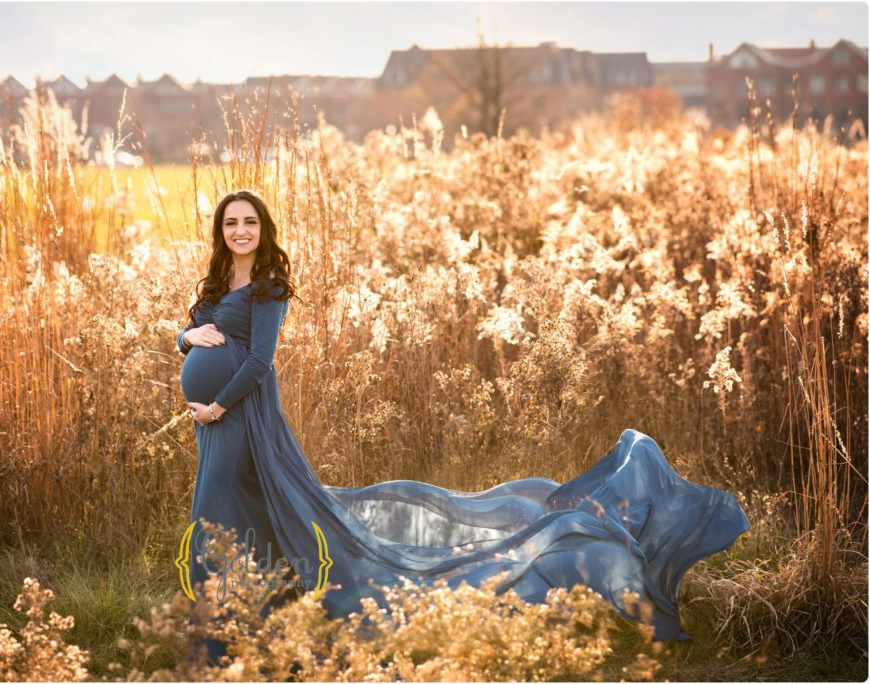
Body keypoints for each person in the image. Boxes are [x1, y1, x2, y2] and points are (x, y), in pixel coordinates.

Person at [176, 189, 750, 646]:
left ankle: (217, 622)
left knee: (215, 509)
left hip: (241, 416)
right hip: (216, 417)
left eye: (250, 222)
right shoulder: (220, 282)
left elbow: (260, 361)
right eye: (232, 223)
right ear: (221, 231)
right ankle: (254, 608)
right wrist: (187, 338)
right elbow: (192, 330)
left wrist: (217, 404)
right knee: (245, 508)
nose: (241, 231)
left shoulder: (269, 287)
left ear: (264, 229)